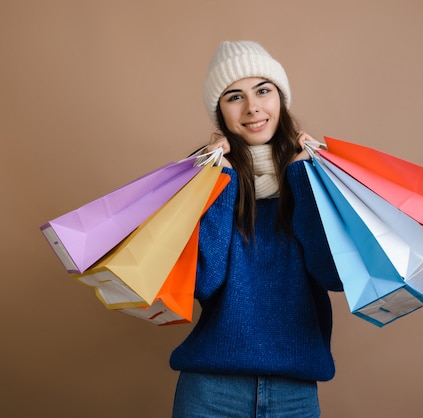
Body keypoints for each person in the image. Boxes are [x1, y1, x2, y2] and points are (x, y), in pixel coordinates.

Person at [169, 40, 344, 417]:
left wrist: (304, 177)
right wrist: (222, 182)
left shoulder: (313, 174)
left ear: (279, 98)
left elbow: (333, 274)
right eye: (235, 97)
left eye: (263, 90)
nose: (253, 107)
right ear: (220, 113)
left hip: (294, 393)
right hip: (210, 391)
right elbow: (203, 282)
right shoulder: (204, 178)